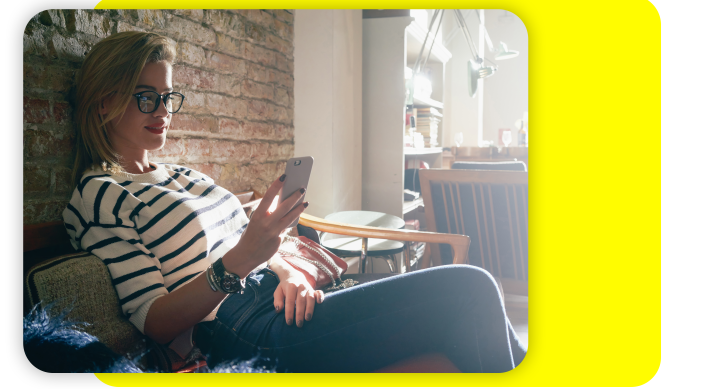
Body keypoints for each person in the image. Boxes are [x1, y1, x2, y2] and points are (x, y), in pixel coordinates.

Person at [62, 31, 526, 373]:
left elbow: (260, 249)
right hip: (243, 326)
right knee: (471, 288)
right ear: (104, 103)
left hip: (285, 298)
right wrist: (242, 260)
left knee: (466, 319)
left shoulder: (185, 175)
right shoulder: (102, 195)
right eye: (146, 98)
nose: (163, 112)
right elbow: (155, 322)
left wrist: (290, 271)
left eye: (168, 97)